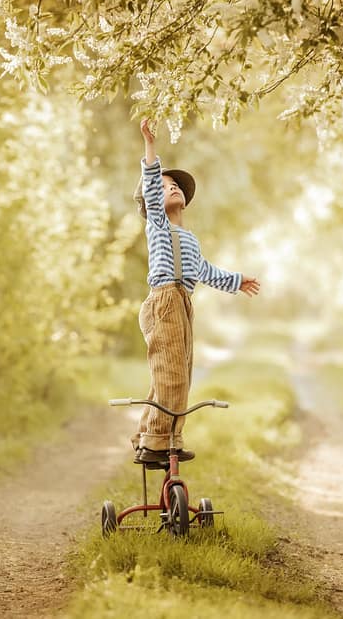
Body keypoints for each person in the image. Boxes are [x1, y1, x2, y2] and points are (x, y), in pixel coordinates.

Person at [131, 118, 261, 465]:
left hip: (182, 304)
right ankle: (160, 441)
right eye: (162, 186)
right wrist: (150, 144)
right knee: (170, 374)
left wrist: (237, 280)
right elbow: (149, 178)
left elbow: (205, 271)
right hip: (163, 301)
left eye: (175, 186)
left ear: (185, 201)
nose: (170, 188)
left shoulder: (190, 239)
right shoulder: (157, 224)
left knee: (175, 375)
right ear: (151, 201)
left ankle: (153, 436)